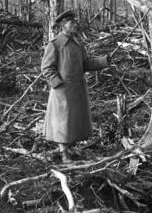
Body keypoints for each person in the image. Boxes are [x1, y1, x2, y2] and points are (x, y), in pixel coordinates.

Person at [40, 10, 109, 163]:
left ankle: (70, 148)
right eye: (71, 23)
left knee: (74, 120)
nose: (75, 25)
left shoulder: (77, 43)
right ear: (63, 26)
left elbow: (86, 64)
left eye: (74, 23)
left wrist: (104, 61)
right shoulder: (55, 44)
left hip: (77, 88)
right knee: (62, 122)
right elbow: (46, 67)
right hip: (62, 91)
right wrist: (58, 84)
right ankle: (64, 153)